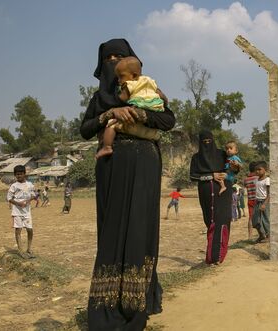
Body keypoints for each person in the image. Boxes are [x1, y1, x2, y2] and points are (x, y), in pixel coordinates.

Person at [80, 38, 175, 330]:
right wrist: (110, 113)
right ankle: (108, 303)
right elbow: (85, 129)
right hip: (111, 165)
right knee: (113, 227)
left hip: (145, 163)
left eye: (118, 57)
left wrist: (139, 113)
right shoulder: (99, 100)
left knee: (140, 227)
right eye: (107, 58)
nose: (113, 62)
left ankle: (139, 299)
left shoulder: (149, 89)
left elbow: (168, 120)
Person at [95, 56, 166, 159]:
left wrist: (114, 105)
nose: (118, 80)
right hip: (151, 129)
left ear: (133, 75)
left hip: (132, 124)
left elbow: (121, 100)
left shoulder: (129, 84)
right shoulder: (150, 81)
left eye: (121, 77)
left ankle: (107, 147)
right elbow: (162, 95)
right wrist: (164, 102)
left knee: (111, 125)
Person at [190, 130, 231, 265]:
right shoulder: (196, 158)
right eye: (204, 141)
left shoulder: (222, 154)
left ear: (213, 140)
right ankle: (213, 254)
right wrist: (210, 176)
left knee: (222, 219)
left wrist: (228, 173)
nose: (207, 143)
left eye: (209, 141)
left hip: (223, 191)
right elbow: (193, 176)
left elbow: (232, 169)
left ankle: (217, 256)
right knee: (210, 220)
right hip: (206, 192)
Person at [6, 165, 36, 259]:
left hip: (27, 212)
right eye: (17, 174)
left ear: (24, 174)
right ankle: (20, 250)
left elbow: (33, 195)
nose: (19, 176)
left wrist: (28, 201)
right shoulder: (13, 186)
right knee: (18, 230)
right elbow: (9, 198)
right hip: (17, 212)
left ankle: (29, 249)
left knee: (29, 230)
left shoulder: (30, 184)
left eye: (21, 174)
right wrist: (18, 203)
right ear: (15, 175)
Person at [251, 161, 270, 243]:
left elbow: (270, 194)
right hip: (257, 201)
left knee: (265, 220)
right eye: (256, 170)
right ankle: (261, 235)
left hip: (264, 201)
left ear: (265, 170)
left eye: (259, 169)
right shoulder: (256, 180)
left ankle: (269, 236)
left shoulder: (267, 180)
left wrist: (264, 204)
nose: (257, 171)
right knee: (255, 220)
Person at [243, 162, 258, 239]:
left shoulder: (246, 179)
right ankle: (263, 234)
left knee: (250, 218)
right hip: (258, 200)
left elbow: (245, 186)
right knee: (262, 217)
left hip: (250, 200)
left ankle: (250, 236)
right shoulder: (257, 178)